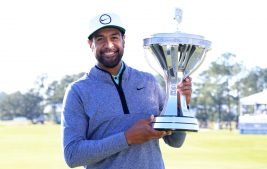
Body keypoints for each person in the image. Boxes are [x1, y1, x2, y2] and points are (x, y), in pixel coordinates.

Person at [61, 12, 193, 169]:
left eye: (114, 37)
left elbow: (175, 141)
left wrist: (180, 106)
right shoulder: (78, 91)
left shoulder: (148, 81)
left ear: (124, 40)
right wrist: (127, 138)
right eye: (100, 39)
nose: (109, 45)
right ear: (90, 44)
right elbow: (72, 155)